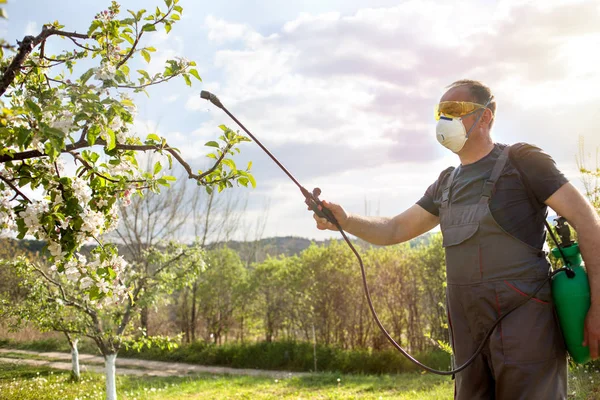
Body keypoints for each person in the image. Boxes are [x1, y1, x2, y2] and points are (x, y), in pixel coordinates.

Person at [312, 79, 600, 399]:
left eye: (453, 110)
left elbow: (588, 224)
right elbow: (394, 228)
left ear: (485, 117)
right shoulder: (446, 184)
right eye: (440, 112)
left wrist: (598, 308)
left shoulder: (523, 162)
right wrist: (346, 220)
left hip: (526, 327)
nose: (443, 120)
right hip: (468, 333)